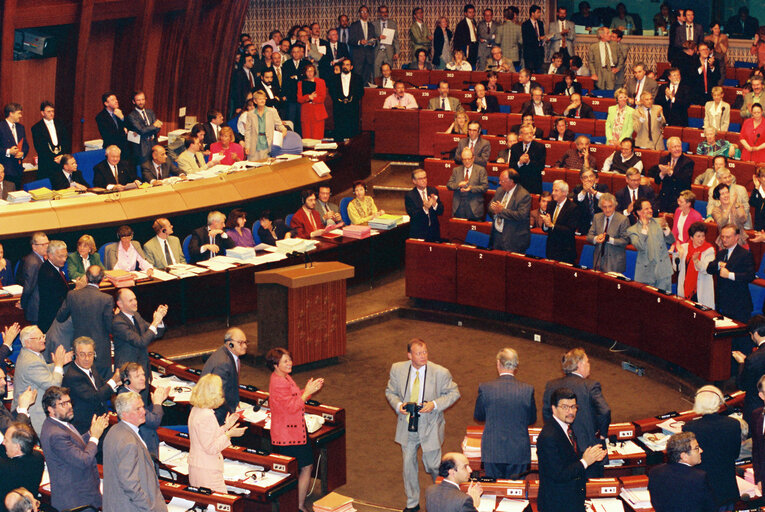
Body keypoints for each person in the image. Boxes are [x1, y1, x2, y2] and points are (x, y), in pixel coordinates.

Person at [385, 339, 460, 512]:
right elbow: (390, 392)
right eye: (419, 353)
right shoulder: (397, 369)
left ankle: (442, 498)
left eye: (425, 352)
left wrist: (434, 404)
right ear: (409, 355)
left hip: (430, 425)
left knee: (433, 465)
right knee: (408, 465)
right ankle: (412, 502)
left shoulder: (440, 372)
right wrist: (398, 405)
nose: (423, 356)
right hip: (408, 424)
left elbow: (454, 393)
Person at [267, 348, 324, 512]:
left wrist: (307, 390)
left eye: (289, 359)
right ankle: (298, 506)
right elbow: (291, 407)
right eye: (285, 361)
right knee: (305, 466)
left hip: (293, 429)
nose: (290, 363)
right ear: (275, 365)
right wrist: (307, 393)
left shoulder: (284, 377)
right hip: (289, 434)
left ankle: (296, 503)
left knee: (303, 467)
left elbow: (294, 397)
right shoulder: (278, 382)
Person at [537, 387, 607, 512]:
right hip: (557, 505)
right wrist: (585, 461)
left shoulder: (566, 427)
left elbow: (569, 457)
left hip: (571, 500)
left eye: (574, 407)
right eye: (565, 407)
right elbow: (558, 474)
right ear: (554, 408)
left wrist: (590, 456)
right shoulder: (549, 436)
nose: (571, 412)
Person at [39, 386, 107, 512]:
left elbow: (74, 445)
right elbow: (83, 460)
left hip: (82, 497)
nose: (69, 406)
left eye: (69, 402)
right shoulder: (55, 433)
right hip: (76, 501)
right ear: (50, 409)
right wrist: (95, 437)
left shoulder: (59, 424)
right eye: (63, 404)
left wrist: (91, 433)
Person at [474, 348, 535, 479]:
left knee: (494, 493)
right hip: (518, 452)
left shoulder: (485, 388)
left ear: (498, 363)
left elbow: (478, 417)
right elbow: (531, 419)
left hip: (492, 451)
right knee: (516, 495)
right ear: (516, 365)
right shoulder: (527, 390)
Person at [103, 392, 168, 512]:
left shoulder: (114, 430)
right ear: (124, 414)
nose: (143, 412)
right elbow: (130, 484)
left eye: (142, 407)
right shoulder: (129, 442)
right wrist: (149, 507)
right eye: (137, 409)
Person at [681, 385, 741, 509]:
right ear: (719, 402)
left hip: (702, 488)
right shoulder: (733, 424)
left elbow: (689, 460)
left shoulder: (690, 427)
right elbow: (735, 454)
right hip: (726, 487)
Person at [188, 373, 247, 493]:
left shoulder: (197, 409)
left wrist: (226, 426)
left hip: (199, 467)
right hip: (207, 471)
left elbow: (208, 436)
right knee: (220, 504)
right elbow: (211, 448)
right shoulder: (206, 415)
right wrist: (229, 434)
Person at [55, 265, 113, 378]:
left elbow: (60, 317)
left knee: (81, 380)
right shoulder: (107, 299)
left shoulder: (72, 295)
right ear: (102, 279)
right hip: (100, 349)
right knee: (101, 384)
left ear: (86, 278)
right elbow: (110, 327)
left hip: (79, 347)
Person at [62, 336, 120, 433]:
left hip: (100, 421)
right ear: (75, 355)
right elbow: (94, 397)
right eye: (82, 354)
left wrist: (116, 383)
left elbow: (101, 386)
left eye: (90, 354)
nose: (87, 358)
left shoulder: (91, 367)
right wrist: (113, 382)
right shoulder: (73, 376)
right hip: (85, 428)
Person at [112, 288, 167, 391]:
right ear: (120, 304)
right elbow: (141, 342)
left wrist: (159, 321)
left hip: (142, 370)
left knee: (143, 405)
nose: (135, 303)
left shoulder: (136, 316)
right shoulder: (118, 322)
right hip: (129, 374)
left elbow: (156, 333)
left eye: (135, 299)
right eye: (130, 300)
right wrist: (155, 322)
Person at [648, 432, 715, 512]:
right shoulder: (699, 477)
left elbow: (655, 503)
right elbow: (710, 508)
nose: (701, 450)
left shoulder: (655, 472)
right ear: (684, 456)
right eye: (696, 448)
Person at [117, 362, 168, 459]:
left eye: (143, 374)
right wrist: (157, 403)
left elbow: (147, 414)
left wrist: (155, 402)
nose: (143, 378)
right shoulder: (128, 399)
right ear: (126, 381)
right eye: (137, 376)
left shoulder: (131, 393)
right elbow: (153, 421)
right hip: (141, 452)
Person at [707, 224, 756, 323]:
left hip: (739, 305)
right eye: (722, 236)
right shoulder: (721, 253)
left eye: (728, 237)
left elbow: (750, 276)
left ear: (737, 237)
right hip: (723, 303)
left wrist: (729, 275)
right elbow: (709, 269)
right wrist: (718, 265)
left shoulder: (745, 254)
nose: (724, 239)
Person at [201, 327, 248, 424]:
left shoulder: (225, 354)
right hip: (217, 417)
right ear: (229, 343)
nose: (245, 346)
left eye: (245, 342)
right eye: (240, 342)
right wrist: (229, 415)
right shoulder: (223, 363)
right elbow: (218, 395)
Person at [627, 199, 674, 291]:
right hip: (646, 273)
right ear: (639, 212)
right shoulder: (632, 230)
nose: (650, 210)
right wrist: (644, 228)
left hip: (663, 270)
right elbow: (640, 246)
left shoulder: (659, 222)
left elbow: (671, 240)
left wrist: (665, 228)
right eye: (646, 208)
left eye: (650, 208)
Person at [0, 422, 43, 510]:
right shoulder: (38, 457)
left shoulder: (6, 468)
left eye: (6, 440)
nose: (3, 443)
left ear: (17, 447)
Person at [488, 169, 531, 253]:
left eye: (502, 181)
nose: (499, 183)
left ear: (511, 182)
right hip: (497, 236)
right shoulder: (500, 191)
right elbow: (490, 206)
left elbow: (521, 215)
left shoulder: (523, 195)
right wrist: (494, 210)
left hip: (513, 239)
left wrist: (501, 211)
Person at [648, 137, 693, 213]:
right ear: (669, 149)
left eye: (679, 146)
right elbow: (657, 181)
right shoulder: (664, 159)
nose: (677, 149)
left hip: (680, 198)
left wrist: (670, 173)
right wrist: (662, 173)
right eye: (674, 147)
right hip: (665, 196)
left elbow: (684, 182)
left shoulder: (688, 162)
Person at [586, 193, 629, 273]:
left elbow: (625, 241)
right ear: (601, 207)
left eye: (610, 206)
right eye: (604, 207)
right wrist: (596, 238)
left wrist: (609, 239)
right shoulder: (597, 217)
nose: (607, 210)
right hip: (598, 260)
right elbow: (589, 236)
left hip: (614, 261)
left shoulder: (623, 220)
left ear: (615, 206)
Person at [677, 222, 715, 308]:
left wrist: (696, 261)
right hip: (685, 287)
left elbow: (707, 269)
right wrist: (679, 255)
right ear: (691, 237)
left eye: (703, 236)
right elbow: (677, 268)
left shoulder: (709, 250)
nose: (701, 239)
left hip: (701, 289)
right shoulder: (684, 248)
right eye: (698, 236)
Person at [30, 101, 70, 182]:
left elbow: (66, 142)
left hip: (61, 162)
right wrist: (54, 159)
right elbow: (39, 148)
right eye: (48, 111)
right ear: (42, 113)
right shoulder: (36, 128)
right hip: (46, 164)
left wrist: (62, 156)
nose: (51, 113)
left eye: (53, 111)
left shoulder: (61, 124)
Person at [36, 240, 69, 333]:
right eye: (61, 256)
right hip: (52, 322)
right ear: (50, 255)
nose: (64, 259)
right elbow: (58, 299)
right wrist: (77, 290)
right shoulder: (48, 273)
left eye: (65, 255)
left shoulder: (53, 268)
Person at [446, 147, 488, 222]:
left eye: (469, 159)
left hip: (474, 207)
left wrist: (471, 188)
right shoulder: (456, 170)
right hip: (458, 207)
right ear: (462, 160)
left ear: (473, 158)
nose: (467, 161)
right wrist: (458, 185)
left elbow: (485, 187)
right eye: (464, 159)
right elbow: (449, 185)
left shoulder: (481, 170)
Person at [542, 180, 579, 264]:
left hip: (565, 251)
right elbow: (546, 229)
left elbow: (570, 230)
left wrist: (552, 225)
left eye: (556, 190)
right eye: (553, 190)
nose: (553, 193)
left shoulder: (573, 208)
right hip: (551, 249)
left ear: (564, 193)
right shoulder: (551, 205)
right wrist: (546, 224)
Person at [329, 58, 364, 141]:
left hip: (353, 108)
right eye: (344, 64)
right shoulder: (334, 78)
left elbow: (361, 92)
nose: (345, 66)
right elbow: (332, 91)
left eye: (347, 65)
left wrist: (352, 99)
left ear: (351, 67)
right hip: (339, 108)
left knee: (352, 132)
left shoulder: (358, 78)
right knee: (339, 131)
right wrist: (339, 100)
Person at [18, 232, 48, 325]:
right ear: (34, 247)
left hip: (42, 307)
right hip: (36, 309)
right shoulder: (33, 262)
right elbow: (29, 287)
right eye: (43, 244)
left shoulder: (40, 259)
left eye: (47, 243)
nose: (47, 247)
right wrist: (23, 304)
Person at [405, 169, 443, 242]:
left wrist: (435, 204)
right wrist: (425, 209)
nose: (424, 180)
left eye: (425, 178)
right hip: (418, 232)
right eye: (420, 179)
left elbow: (441, 211)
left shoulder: (433, 191)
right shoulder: (410, 195)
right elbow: (413, 214)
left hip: (434, 232)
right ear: (414, 181)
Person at [125, 91, 162, 164]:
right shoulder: (131, 116)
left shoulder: (150, 112)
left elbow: (158, 128)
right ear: (133, 102)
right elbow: (141, 130)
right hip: (142, 147)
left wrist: (152, 128)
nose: (141, 102)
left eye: (143, 99)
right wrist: (153, 126)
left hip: (154, 144)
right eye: (138, 100)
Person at [509, 126, 546, 194]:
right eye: (526, 133)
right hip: (518, 184)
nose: (529, 135)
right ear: (520, 135)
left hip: (534, 185)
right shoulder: (515, 147)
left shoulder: (540, 147)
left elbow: (541, 167)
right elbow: (511, 167)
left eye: (531, 133)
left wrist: (528, 162)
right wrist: (519, 162)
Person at [0, 103, 29, 190]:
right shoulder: (1, 127)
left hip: (18, 170)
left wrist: (22, 153)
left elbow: (26, 145)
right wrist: (8, 151)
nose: (20, 116)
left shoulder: (21, 128)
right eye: (19, 113)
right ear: (11, 113)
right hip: (5, 170)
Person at [297, 63, 328, 139]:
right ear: (305, 72)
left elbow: (322, 98)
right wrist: (309, 97)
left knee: (317, 137)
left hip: (318, 113)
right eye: (307, 71)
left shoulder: (321, 82)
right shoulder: (300, 83)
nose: (310, 73)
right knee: (307, 137)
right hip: (306, 114)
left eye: (311, 71)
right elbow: (299, 99)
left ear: (314, 72)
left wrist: (313, 98)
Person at [573, 168, 609, 234]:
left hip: (601, 224)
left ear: (595, 177)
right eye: (586, 177)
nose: (589, 179)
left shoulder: (603, 187)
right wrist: (584, 191)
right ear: (582, 180)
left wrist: (594, 192)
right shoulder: (578, 189)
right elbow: (578, 200)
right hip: (584, 225)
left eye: (591, 176)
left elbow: (607, 199)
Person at [453, 4, 479, 69]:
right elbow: (457, 39)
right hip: (466, 47)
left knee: (473, 64)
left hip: (474, 46)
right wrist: (458, 51)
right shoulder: (461, 24)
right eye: (470, 12)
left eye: (473, 12)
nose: (472, 14)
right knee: (466, 64)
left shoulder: (474, 22)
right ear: (465, 13)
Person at [521, 5, 545, 73]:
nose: (539, 14)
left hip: (539, 53)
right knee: (530, 72)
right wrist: (538, 38)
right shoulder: (525, 24)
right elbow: (526, 39)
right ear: (532, 13)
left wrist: (545, 39)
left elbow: (542, 36)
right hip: (530, 53)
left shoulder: (540, 23)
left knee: (539, 73)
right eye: (538, 12)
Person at [751, 167, 765, 231]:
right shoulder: (756, 191)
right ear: (759, 178)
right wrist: (756, 187)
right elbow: (752, 203)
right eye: (764, 176)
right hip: (758, 226)